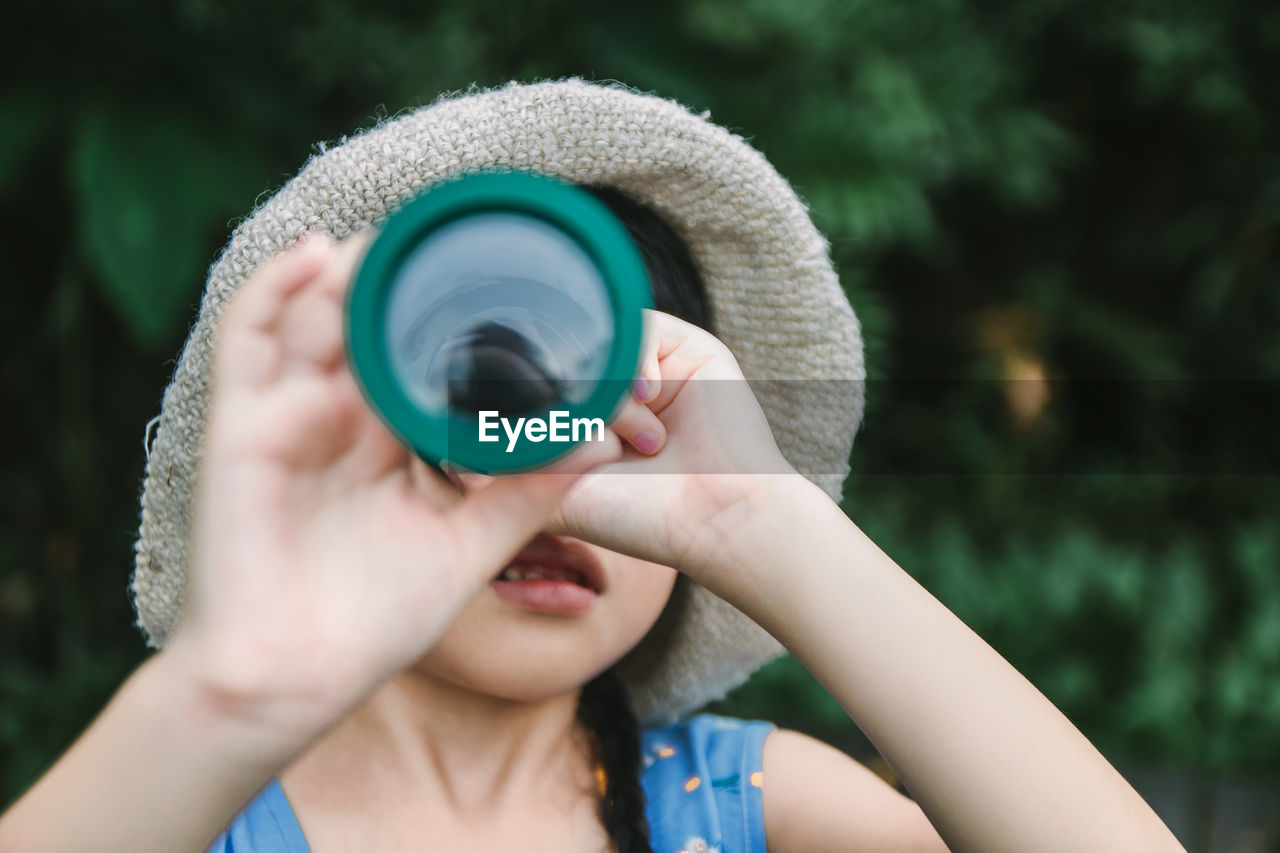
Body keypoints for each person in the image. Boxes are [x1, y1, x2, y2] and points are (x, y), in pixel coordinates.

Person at [0, 80, 1184, 853]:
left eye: (612, 398)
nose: (551, 464)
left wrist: (752, 522)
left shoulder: (753, 811)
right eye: (480, 395)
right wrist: (234, 690)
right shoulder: (175, 811)